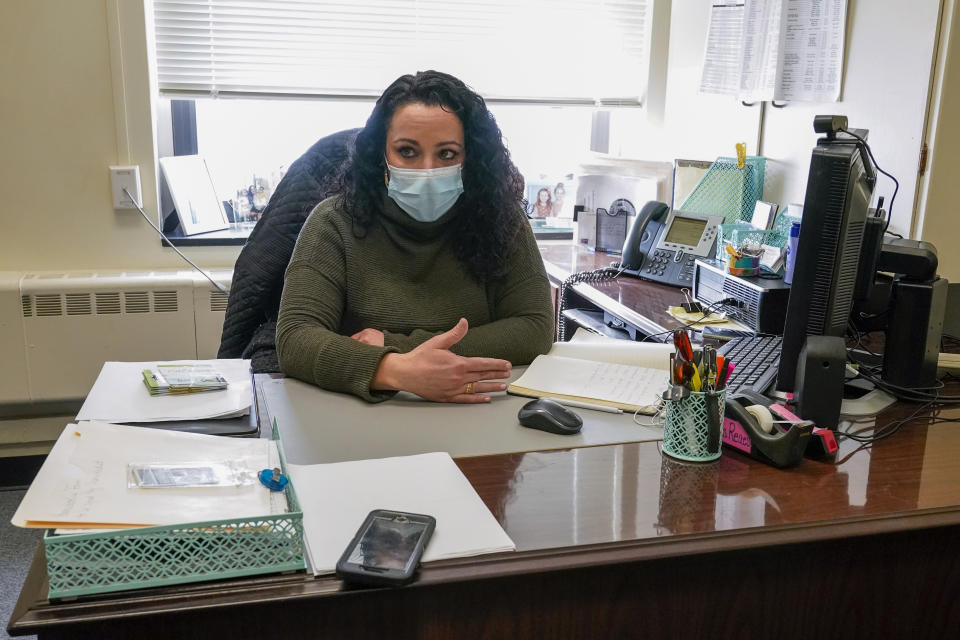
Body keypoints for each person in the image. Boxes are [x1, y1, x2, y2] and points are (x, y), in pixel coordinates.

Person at [276, 70, 555, 404]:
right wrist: (396, 370)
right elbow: (295, 338)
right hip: (367, 414)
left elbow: (535, 327)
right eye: (407, 151)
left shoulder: (503, 219)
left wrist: (401, 347)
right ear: (381, 153)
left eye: (447, 154)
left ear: (471, 158)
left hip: (476, 411)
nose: (426, 170)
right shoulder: (332, 221)